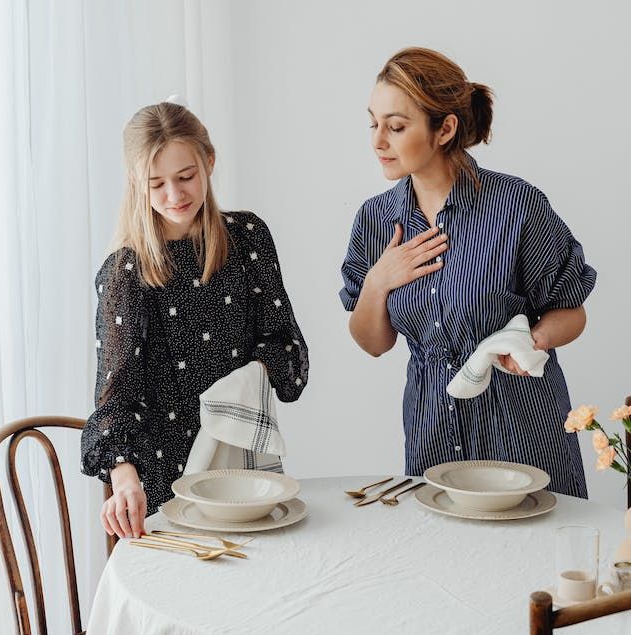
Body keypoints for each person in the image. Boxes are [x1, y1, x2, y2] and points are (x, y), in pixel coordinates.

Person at [339, 47, 595, 498]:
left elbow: (571, 312)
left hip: (524, 429)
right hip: (432, 433)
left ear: (445, 128)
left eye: (396, 127)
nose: (377, 141)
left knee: (533, 560)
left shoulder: (517, 207)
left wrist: (533, 342)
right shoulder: (377, 221)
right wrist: (378, 281)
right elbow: (373, 343)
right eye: (373, 123)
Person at [82, 101, 309, 538]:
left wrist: (242, 386)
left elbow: (288, 353)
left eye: (186, 177)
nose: (175, 195)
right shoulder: (126, 273)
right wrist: (124, 480)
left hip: (244, 480)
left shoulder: (247, 239)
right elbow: (114, 402)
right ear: (135, 184)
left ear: (209, 161)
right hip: (164, 490)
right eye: (157, 183)